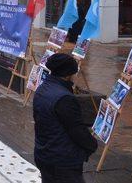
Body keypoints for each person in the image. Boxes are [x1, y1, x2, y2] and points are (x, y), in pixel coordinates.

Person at [33, 53, 98, 182]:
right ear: (68, 75)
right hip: (62, 159)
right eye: (74, 73)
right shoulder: (64, 98)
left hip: (44, 152)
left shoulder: (42, 88)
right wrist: (92, 144)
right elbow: (76, 130)